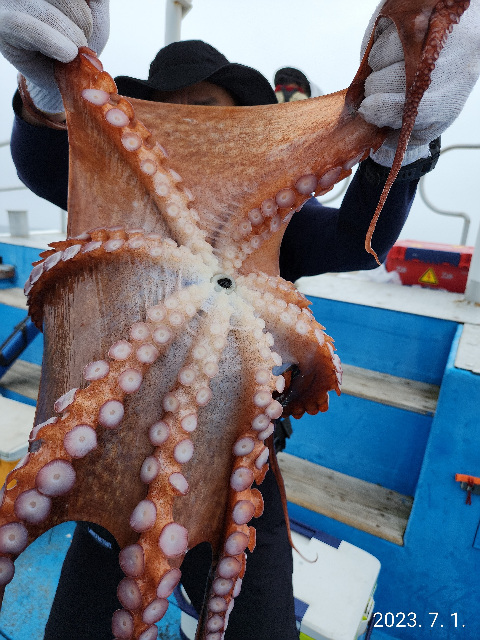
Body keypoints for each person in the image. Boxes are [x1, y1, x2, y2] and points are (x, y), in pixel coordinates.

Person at [1, 1, 479, 639]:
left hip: (241, 478)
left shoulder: (275, 226)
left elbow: (357, 239)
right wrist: (44, 95)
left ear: (243, 127)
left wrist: (405, 147)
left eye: (212, 111)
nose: (197, 128)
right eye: (177, 110)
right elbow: (46, 167)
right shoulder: (117, 198)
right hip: (112, 466)